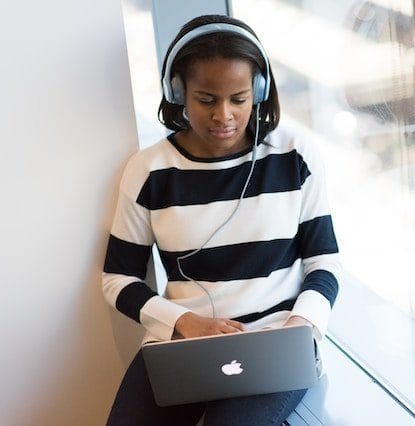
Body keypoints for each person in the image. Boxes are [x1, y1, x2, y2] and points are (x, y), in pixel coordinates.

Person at [102, 13, 340, 426]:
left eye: (239, 99)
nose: (224, 115)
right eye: (207, 99)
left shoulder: (294, 156)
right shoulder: (148, 171)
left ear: (259, 92)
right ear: (178, 92)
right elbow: (117, 278)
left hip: (274, 342)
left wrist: (300, 327)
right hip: (182, 343)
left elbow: (325, 262)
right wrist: (183, 323)